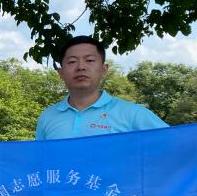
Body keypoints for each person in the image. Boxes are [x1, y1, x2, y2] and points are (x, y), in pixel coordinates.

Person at [36, 35, 167, 139]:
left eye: (89, 60)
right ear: (61, 73)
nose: (81, 67)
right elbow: (41, 160)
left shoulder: (133, 113)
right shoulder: (47, 116)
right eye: (72, 61)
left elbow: (173, 144)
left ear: (104, 69)